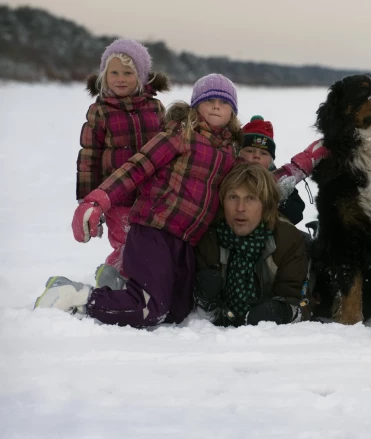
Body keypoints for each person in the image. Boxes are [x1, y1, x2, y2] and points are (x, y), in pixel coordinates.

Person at [34, 73, 243, 327]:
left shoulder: (230, 151)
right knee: (149, 309)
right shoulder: (180, 134)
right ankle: (74, 295)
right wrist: (98, 200)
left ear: (232, 113)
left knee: (178, 311)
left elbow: (255, 182)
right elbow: (138, 167)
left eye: (224, 102)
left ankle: (121, 286)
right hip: (154, 229)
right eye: (209, 100)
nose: (216, 106)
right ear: (195, 106)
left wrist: (299, 164)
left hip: (186, 241)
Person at [77, 38, 169, 277]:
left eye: (128, 73)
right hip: (118, 197)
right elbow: (89, 156)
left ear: (140, 76)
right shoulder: (100, 111)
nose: (120, 78)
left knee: (149, 242)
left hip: (153, 195)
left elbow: (168, 147)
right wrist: (88, 201)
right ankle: (115, 277)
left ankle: (145, 280)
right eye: (114, 72)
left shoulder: (156, 108)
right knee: (125, 241)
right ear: (104, 75)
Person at [194, 163, 310, 326]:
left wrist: (280, 310)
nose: (240, 208)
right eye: (233, 197)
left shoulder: (286, 239)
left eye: (251, 198)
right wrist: (206, 303)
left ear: (266, 204)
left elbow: (297, 300)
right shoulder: (210, 239)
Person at [239, 115, 306, 224]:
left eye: (263, 153)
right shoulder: (230, 176)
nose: (256, 156)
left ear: (271, 159)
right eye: (250, 151)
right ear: (238, 153)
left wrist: (279, 198)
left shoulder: (280, 180)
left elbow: (297, 214)